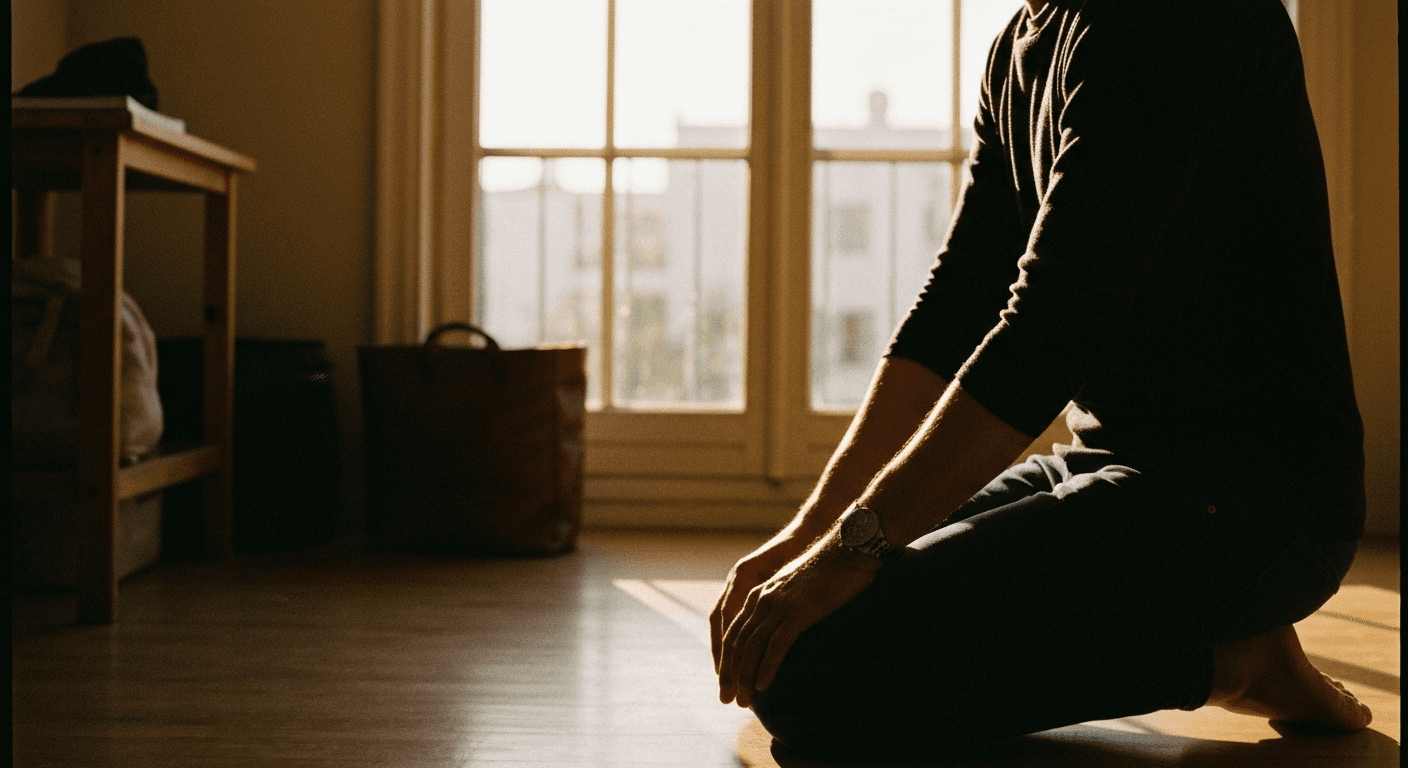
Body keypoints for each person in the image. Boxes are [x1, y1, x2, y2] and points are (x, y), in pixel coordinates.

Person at [711, 0, 1372, 759]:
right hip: (1109, 468)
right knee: (791, 639)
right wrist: (812, 539)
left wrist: (848, 550)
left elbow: (1051, 328)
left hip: (1259, 508)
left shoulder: (1172, 20)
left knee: (814, 680)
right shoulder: (1022, 42)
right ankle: (1226, 634)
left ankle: (1234, 661)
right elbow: (958, 302)